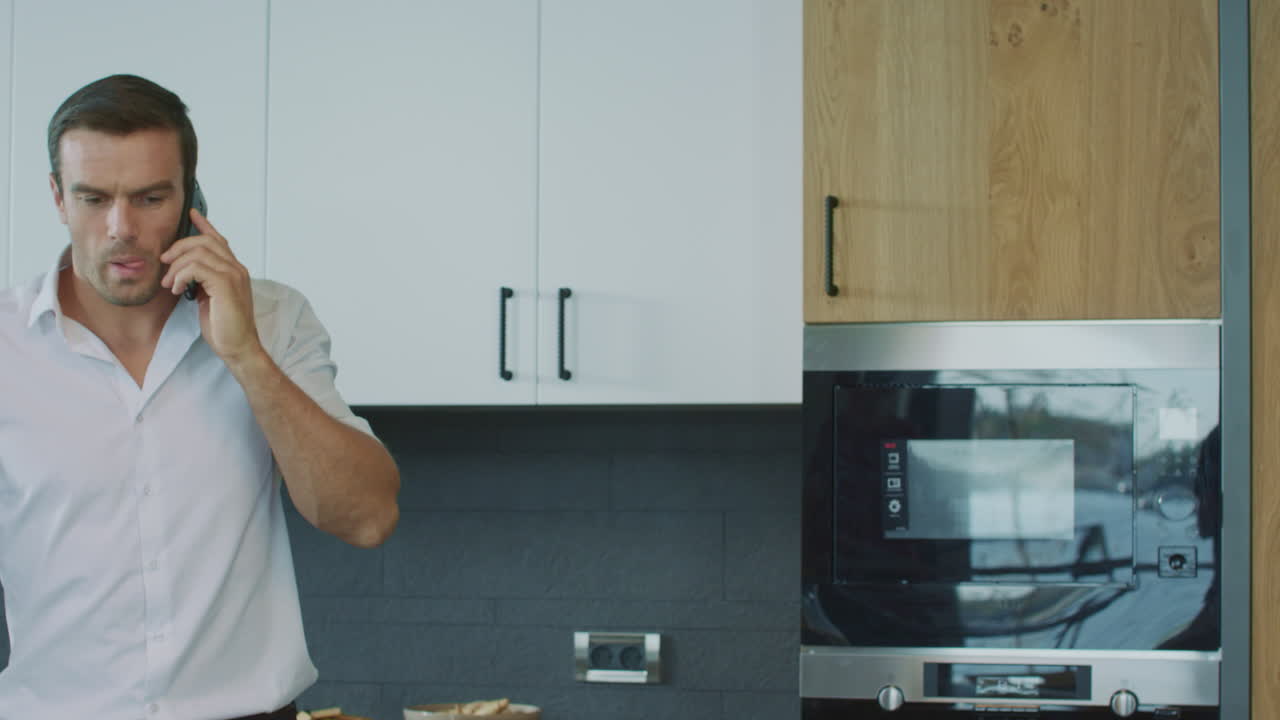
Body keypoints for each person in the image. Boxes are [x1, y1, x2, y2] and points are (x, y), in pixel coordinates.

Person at [0, 74, 400, 720]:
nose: (121, 228)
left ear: (192, 198)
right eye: (94, 198)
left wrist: (245, 357)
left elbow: (368, 516)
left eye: (150, 197)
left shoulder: (273, 321)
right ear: (56, 196)